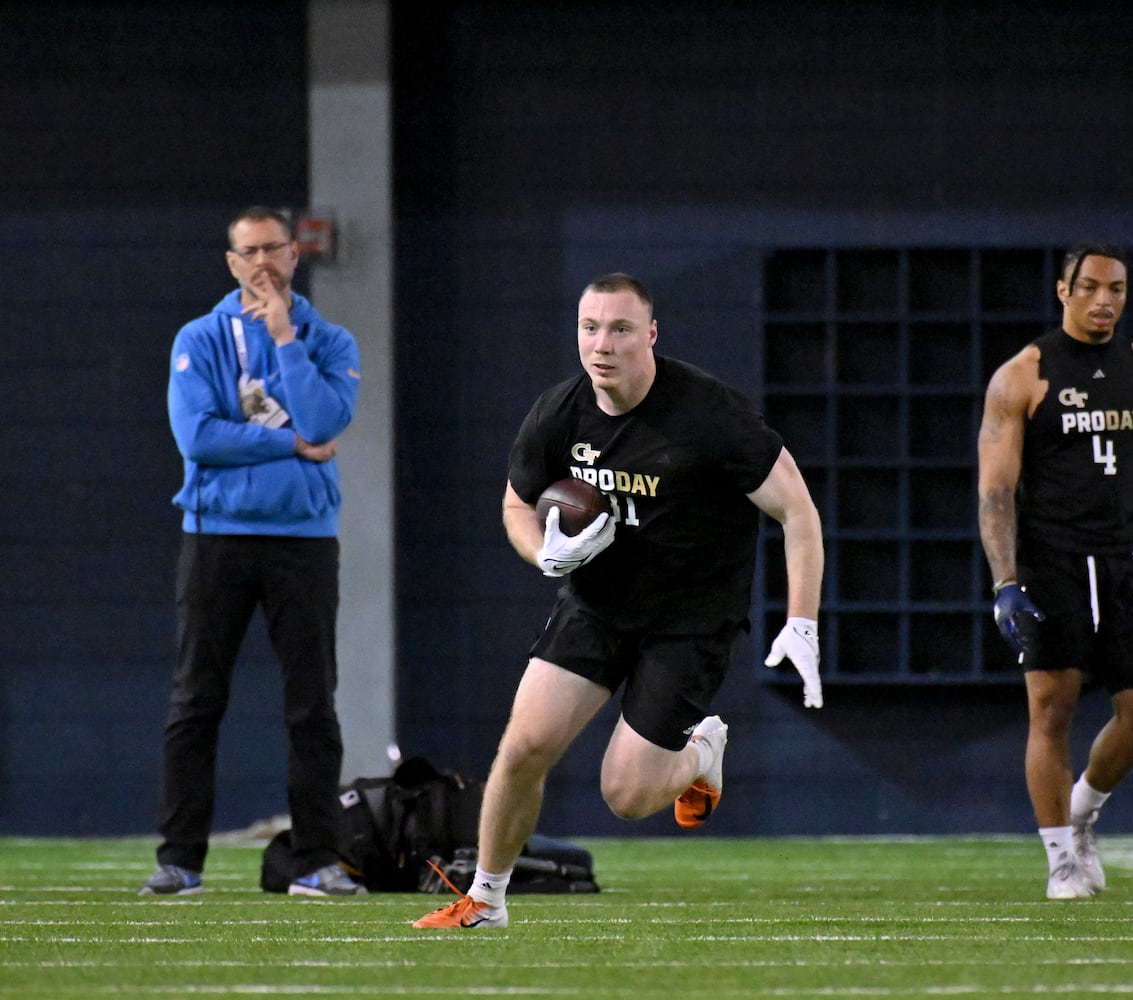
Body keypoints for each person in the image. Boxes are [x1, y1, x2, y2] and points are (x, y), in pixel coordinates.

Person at [413, 272, 824, 930]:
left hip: (688, 622)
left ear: (652, 334)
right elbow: (518, 501)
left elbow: (798, 513)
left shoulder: (709, 415)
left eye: (620, 328)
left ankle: (701, 753)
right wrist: (540, 553)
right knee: (522, 748)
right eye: (590, 327)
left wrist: (803, 622)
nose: (601, 344)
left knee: (626, 795)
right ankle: (485, 901)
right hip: (598, 606)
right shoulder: (559, 411)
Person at [139, 206, 365, 897]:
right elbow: (198, 438)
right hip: (218, 537)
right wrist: (288, 443)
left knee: (312, 707)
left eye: (275, 249)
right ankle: (180, 862)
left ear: (294, 256)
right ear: (231, 262)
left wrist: (285, 341)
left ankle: (318, 862)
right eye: (250, 251)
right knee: (196, 700)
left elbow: (327, 418)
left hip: (303, 540)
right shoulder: (199, 339)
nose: (263, 262)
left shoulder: (329, 341)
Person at [977, 244, 1133, 900]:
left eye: (1117, 289)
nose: (1104, 300)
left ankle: (1081, 811)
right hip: (1051, 561)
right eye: (1091, 287)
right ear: (1064, 291)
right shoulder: (1023, 375)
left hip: (1125, 559)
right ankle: (1061, 859)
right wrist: (1006, 583)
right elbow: (994, 492)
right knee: (1050, 708)